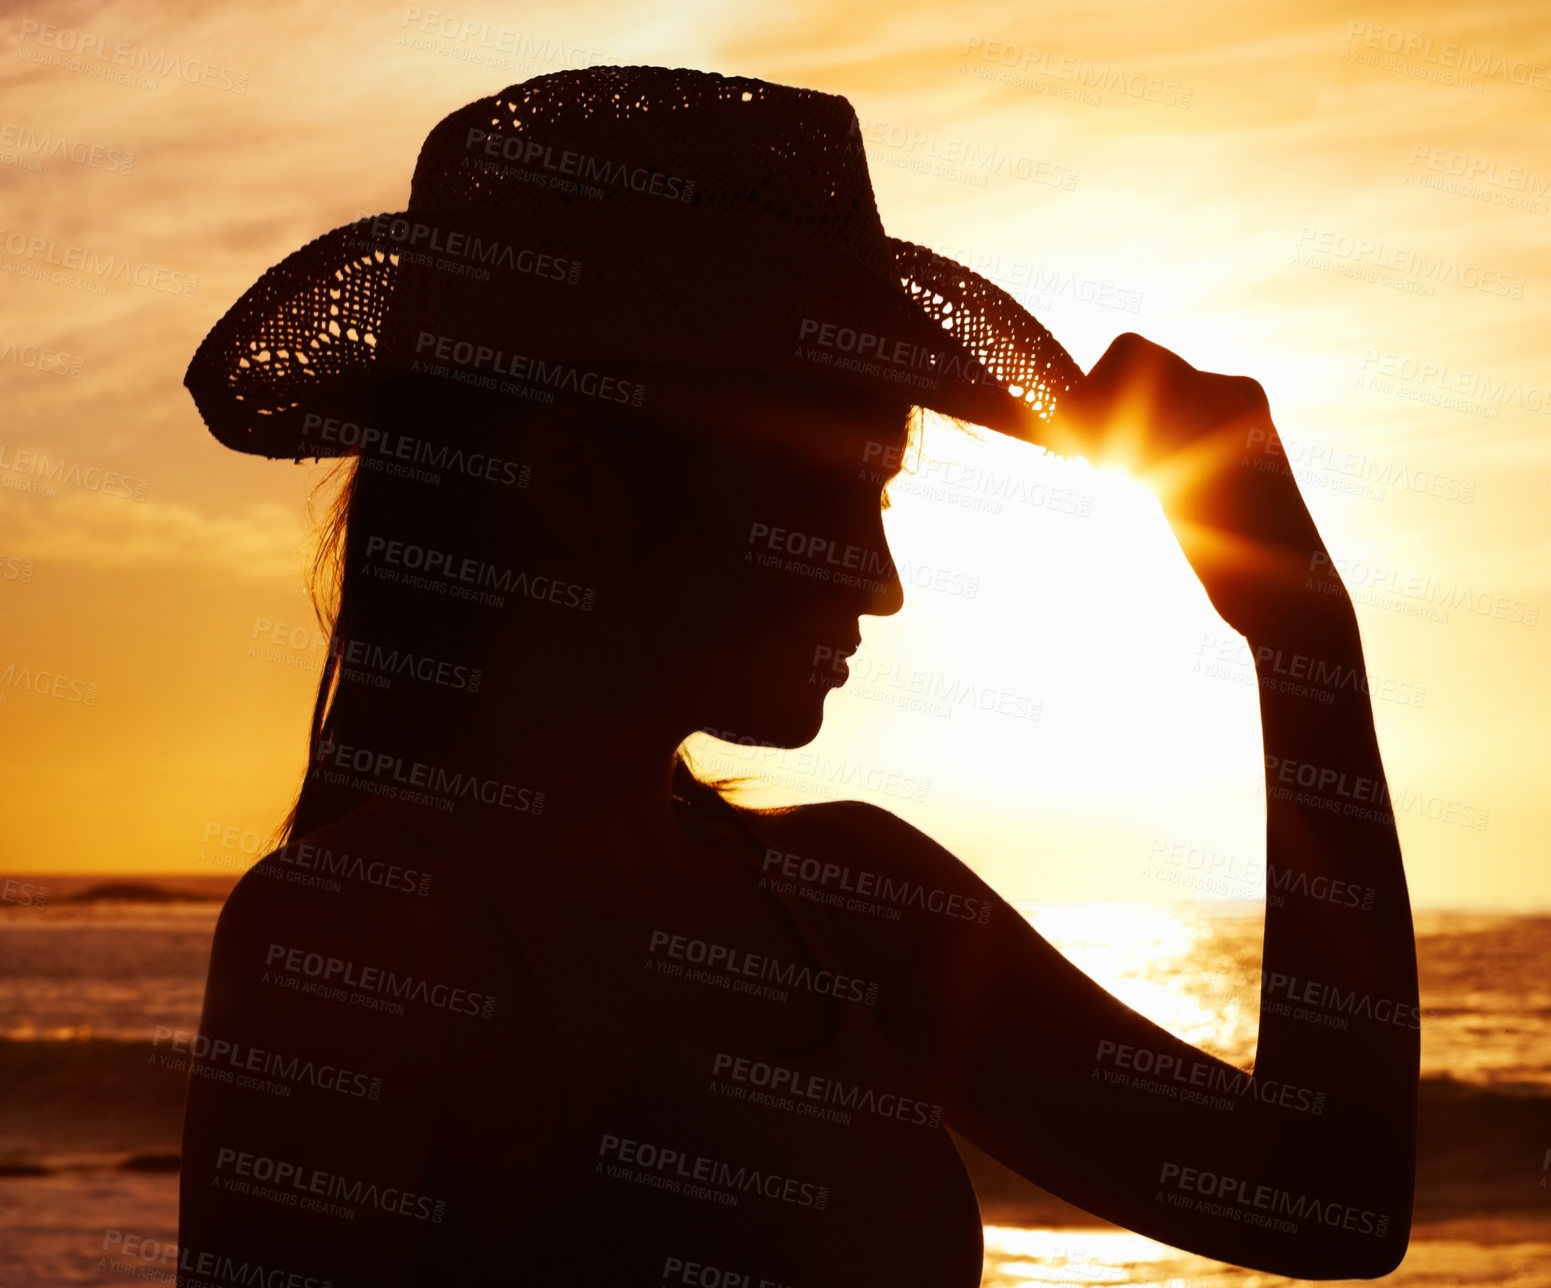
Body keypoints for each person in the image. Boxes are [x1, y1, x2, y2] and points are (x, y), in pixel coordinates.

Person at [177, 65, 1418, 1286]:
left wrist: (1301, 632)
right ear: (573, 479)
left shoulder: (851, 903)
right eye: (832, 490)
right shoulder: (356, 936)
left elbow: (1325, 1197)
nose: (879, 581)